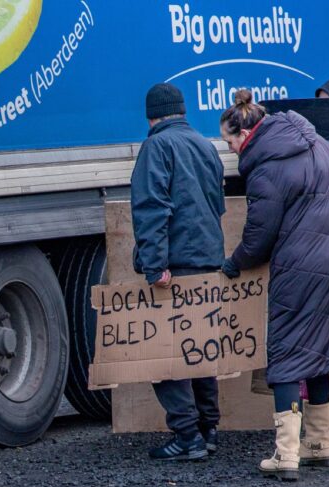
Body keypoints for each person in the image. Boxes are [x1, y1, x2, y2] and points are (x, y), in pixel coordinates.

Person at [219, 90, 329, 481]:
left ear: (246, 133)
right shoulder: (315, 140)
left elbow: (260, 235)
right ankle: (320, 443)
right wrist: (326, 216)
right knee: (318, 348)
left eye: (230, 141)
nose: (231, 149)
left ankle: (286, 454)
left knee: (286, 351)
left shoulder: (265, 168)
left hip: (301, 266)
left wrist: (234, 264)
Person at [130, 83, 226, 461]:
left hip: (177, 265)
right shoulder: (206, 145)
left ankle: (187, 436)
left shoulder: (157, 146)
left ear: (151, 116)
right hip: (208, 261)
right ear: (182, 111)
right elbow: (217, 205)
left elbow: (152, 208)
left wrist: (155, 267)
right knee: (201, 346)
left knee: (167, 352)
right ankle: (208, 428)